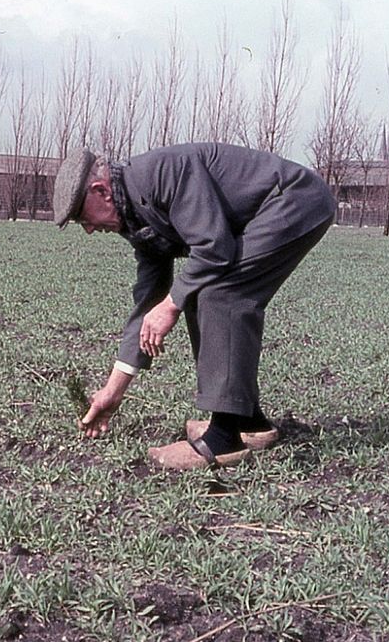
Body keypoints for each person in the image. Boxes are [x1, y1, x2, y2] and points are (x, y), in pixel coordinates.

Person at [53, 142, 336, 471]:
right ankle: (250, 422)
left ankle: (223, 438)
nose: (88, 229)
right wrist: (112, 392)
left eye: (80, 216)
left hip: (295, 200)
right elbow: (148, 303)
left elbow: (214, 248)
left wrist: (172, 304)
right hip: (275, 209)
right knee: (199, 290)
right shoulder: (135, 215)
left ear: (100, 191)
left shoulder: (161, 174)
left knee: (219, 293)